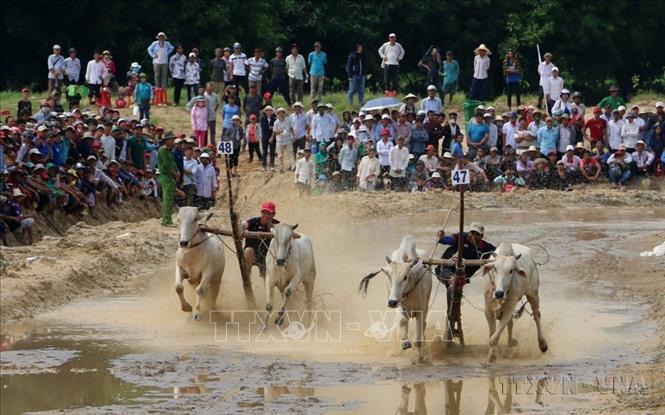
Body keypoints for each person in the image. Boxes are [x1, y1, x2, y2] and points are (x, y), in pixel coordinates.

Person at [242, 201, 279, 279]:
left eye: (268, 214)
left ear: (273, 214)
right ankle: (247, 279)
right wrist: (241, 228)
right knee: (248, 250)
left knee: (267, 279)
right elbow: (245, 224)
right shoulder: (254, 221)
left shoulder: (277, 225)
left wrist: (271, 227)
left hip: (269, 257)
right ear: (261, 213)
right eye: (264, 213)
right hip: (253, 256)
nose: (265, 216)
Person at [156, 132, 179, 227]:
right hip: (166, 176)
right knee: (167, 198)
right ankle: (166, 220)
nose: (173, 141)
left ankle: (167, 219)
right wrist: (176, 174)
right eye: (171, 139)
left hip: (170, 176)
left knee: (169, 198)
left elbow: (173, 163)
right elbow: (167, 165)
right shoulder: (163, 150)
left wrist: (177, 172)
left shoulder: (169, 151)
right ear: (166, 140)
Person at [273, 107, 294, 173]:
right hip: (280, 141)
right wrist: (280, 131)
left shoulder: (288, 120)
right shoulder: (276, 122)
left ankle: (293, 167)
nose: (281, 114)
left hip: (288, 140)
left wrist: (294, 136)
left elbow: (291, 128)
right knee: (280, 155)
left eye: (282, 112)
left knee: (290, 153)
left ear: (284, 113)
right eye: (279, 113)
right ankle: (281, 168)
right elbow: (275, 132)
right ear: (278, 114)